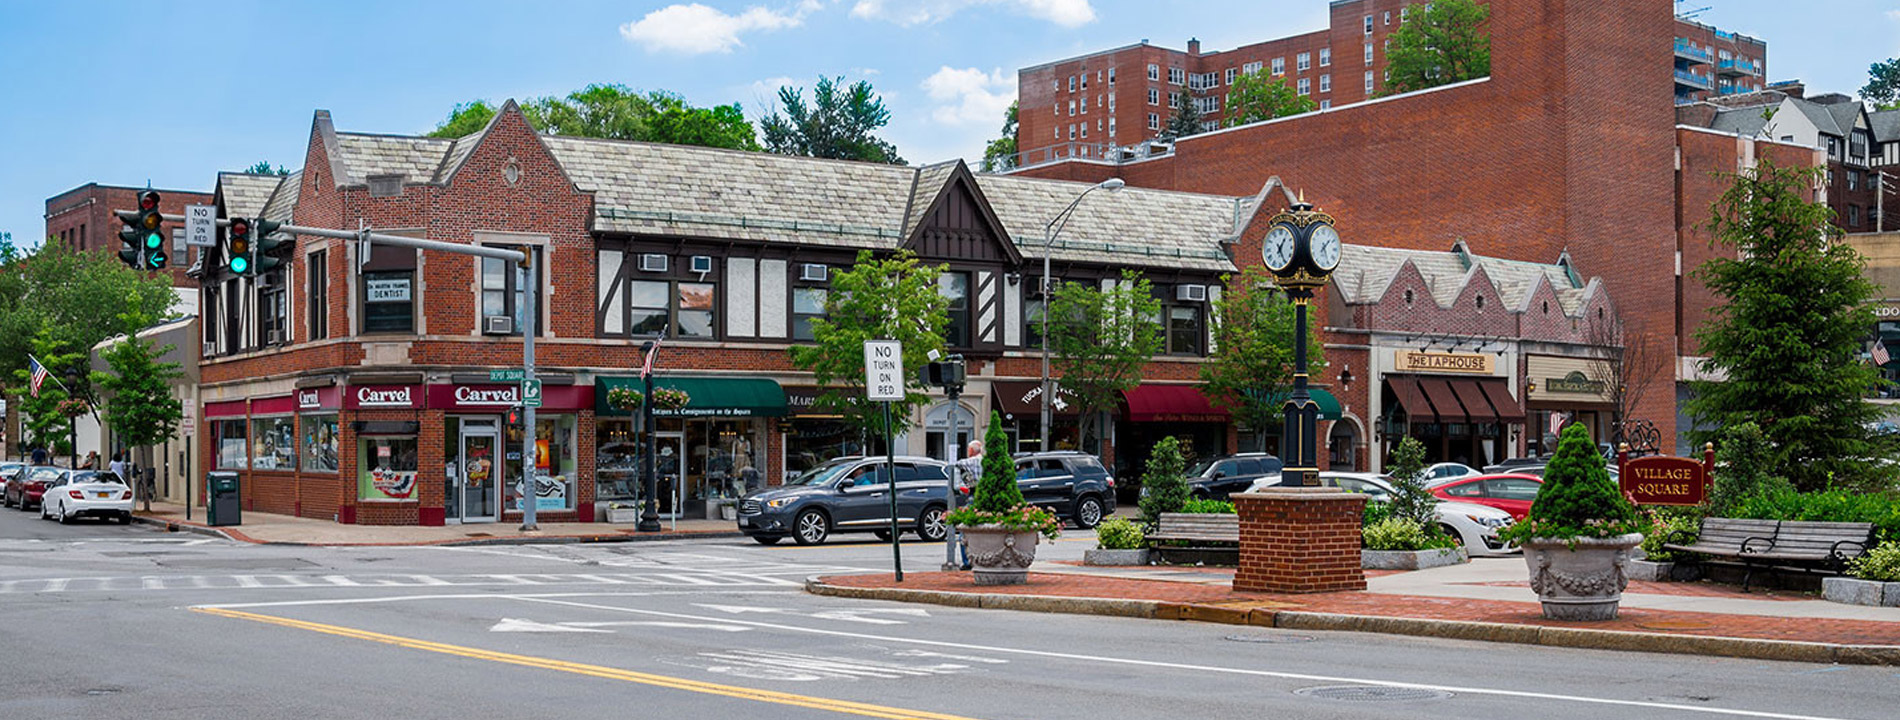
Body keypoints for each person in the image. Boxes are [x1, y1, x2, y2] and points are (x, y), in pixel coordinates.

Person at [952, 439, 984, 571]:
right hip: (986, 497)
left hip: (973, 496)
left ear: (971, 451)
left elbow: (956, 464)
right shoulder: (987, 462)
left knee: (965, 529)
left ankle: (967, 561)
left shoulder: (971, 462)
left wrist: (962, 484)